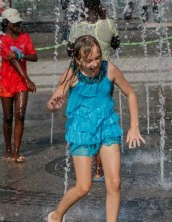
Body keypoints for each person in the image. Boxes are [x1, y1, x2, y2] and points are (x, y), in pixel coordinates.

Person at [46, 35, 145, 222]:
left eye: (98, 58)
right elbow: (53, 103)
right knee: (83, 187)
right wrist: (54, 104)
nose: (94, 64)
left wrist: (134, 126)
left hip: (107, 127)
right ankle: (56, 215)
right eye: (89, 60)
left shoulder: (109, 70)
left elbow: (130, 93)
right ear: (79, 60)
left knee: (115, 182)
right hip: (81, 131)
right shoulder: (71, 74)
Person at [67, 0, 120, 181]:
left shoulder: (76, 27)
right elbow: (116, 44)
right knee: (103, 116)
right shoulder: (109, 23)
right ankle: (99, 167)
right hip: (103, 74)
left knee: (87, 116)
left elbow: (69, 51)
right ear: (100, 8)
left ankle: (90, 161)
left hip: (82, 74)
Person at [0, 8, 38, 162]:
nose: (18, 25)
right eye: (14, 23)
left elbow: (34, 57)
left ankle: (16, 152)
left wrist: (21, 54)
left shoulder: (25, 38)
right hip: (6, 82)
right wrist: (27, 78)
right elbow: (12, 61)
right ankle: (7, 148)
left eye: (19, 22)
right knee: (8, 118)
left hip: (20, 83)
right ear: (7, 24)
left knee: (20, 115)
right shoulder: (2, 39)